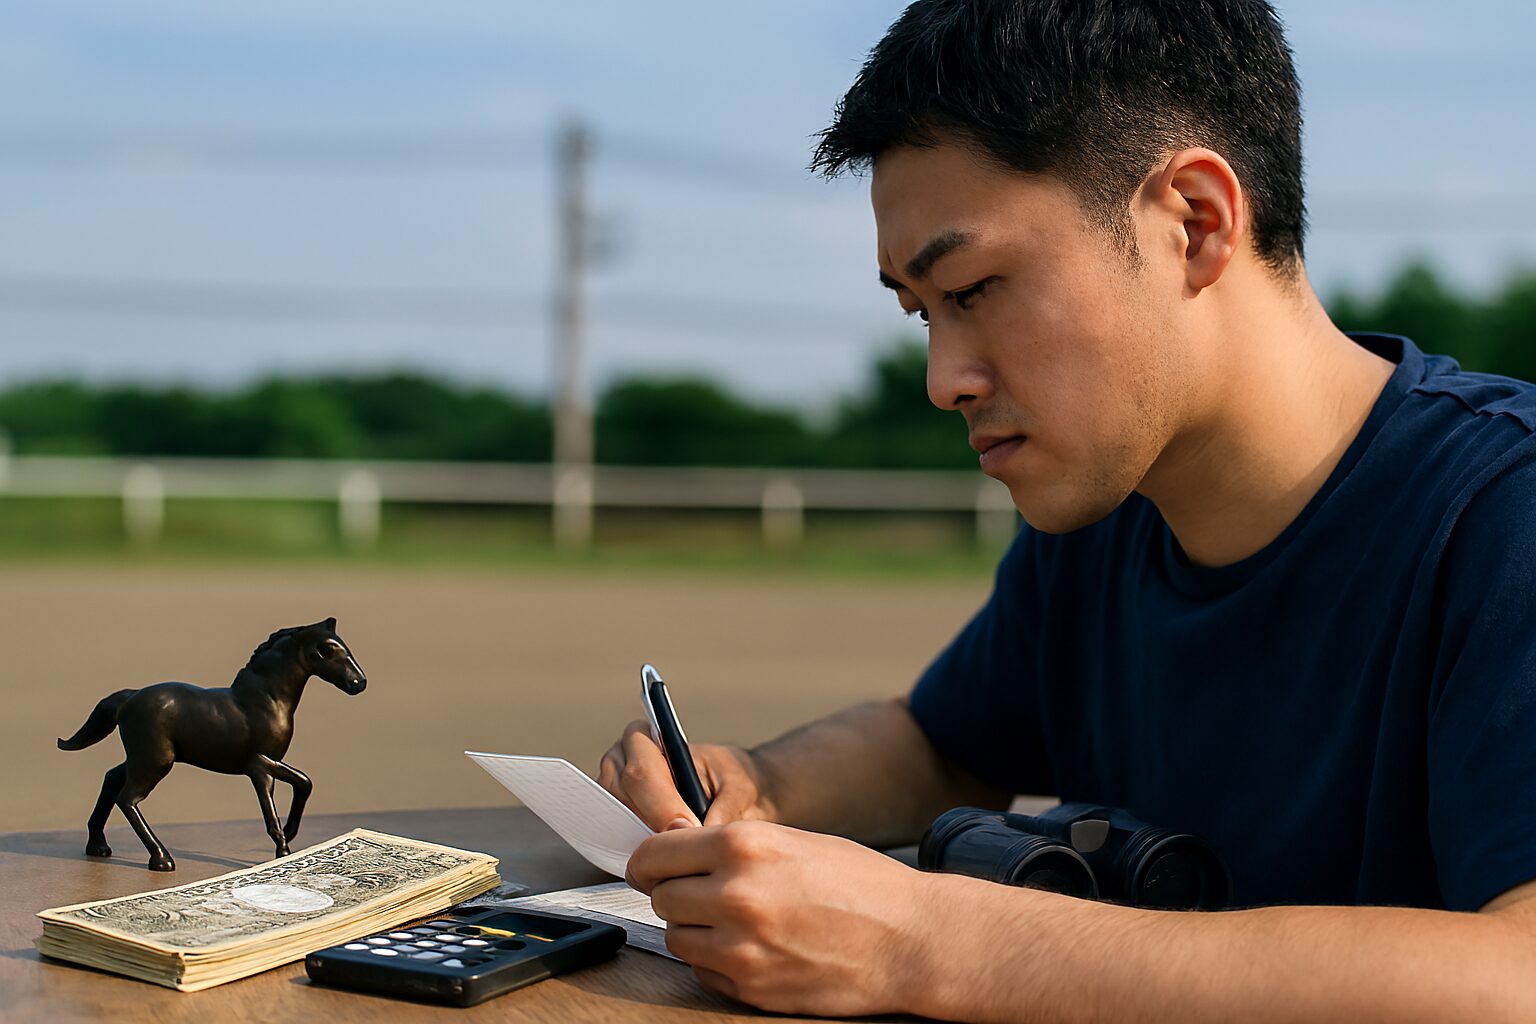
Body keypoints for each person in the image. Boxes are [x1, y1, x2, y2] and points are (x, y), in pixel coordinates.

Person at [600, 1, 1536, 1019]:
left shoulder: (1502, 514)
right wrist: (760, 787)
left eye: (975, 287)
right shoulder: (1112, 504)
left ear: (1195, 221)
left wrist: (931, 942)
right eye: (922, 313)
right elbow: (944, 743)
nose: (943, 379)